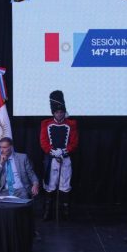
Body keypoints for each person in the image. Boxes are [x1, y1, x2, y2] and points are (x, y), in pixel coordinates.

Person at [40, 90, 78, 220]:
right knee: (50, 185)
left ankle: (65, 212)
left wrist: (63, 152)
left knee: (64, 185)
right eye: (57, 112)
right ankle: (47, 212)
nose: (59, 114)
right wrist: (53, 152)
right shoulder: (46, 124)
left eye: (61, 112)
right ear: (53, 113)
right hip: (52, 159)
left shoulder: (71, 124)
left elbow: (74, 142)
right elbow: (43, 141)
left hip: (65, 158)